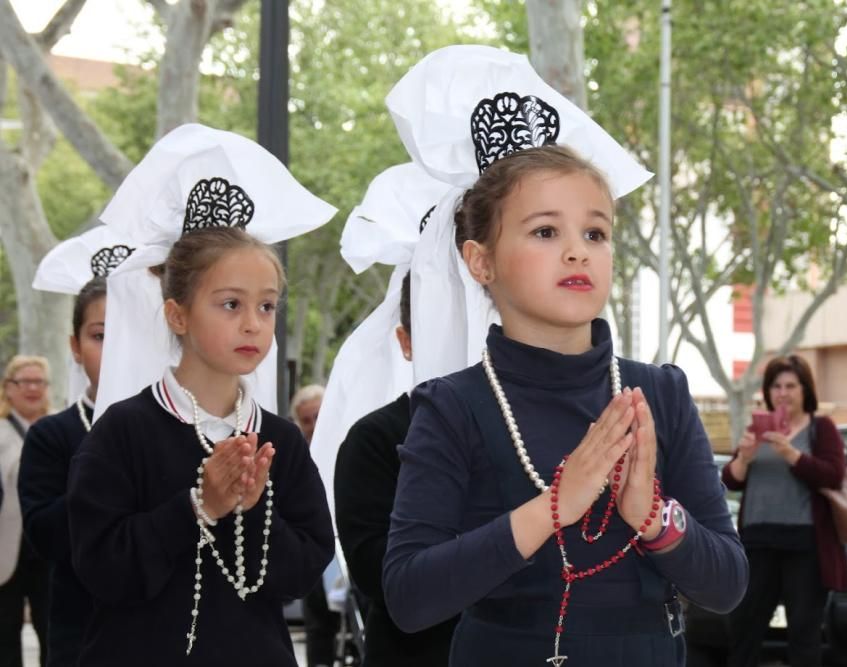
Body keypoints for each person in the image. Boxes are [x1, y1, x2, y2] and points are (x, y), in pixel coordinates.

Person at [383, 145, 748, 666]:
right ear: (480, 261)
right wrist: (555, 507)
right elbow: (409, 596)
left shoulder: (660, 394)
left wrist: (652, 518)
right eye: (546, 232)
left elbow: (728, 585)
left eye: (595, 233)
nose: (578, 252)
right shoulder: (452, 407)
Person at [66, 124, 337, 667]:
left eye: (266, 306)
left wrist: (254, 509)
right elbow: (101, 568)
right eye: (230, 304)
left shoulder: (277, 437)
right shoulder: (124, 430)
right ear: (177, 314)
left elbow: (305, 567)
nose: (254, 325)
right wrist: (199, 506)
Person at [335, 271, 458, 666]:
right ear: (406, 341)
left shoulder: (520, 429)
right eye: (441, 324)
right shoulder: (374, 438)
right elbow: (378, 572)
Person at [722, 355, 847, 667]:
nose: (783, 392)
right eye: (776, 386)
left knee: (804, 635)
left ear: (805, 389)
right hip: (757, 542)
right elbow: (730, 480)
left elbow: (834, 475)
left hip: (804, 546)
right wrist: (745, 457)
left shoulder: (821, 428)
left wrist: (791, 454)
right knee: (743, 630)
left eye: (790, 385)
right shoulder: (758, 427)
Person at [17, 279, 106, 667]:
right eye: (100, 335)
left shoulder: (187, 428)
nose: (118, 350)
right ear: (75, 346)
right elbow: (46, 536)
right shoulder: (53, 435)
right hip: (84, 636)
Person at [0, 355, 52, 667]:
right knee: (4, 632)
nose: (32, 388)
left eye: (39, 382)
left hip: (47, 546)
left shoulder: (58, 427)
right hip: (7, 547)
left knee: (51, 628)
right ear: (8, 388)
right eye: (24, 382)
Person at [291, 383, 342, 667]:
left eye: (318, 416)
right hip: (315, 545)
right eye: (306, 420)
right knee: (318, 622)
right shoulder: (297, 457)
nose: (313, 425)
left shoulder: (351, 443)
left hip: (346, 542)